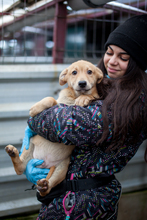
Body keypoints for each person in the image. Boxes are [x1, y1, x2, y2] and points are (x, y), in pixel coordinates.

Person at [21, 15, 147, 219]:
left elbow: (65, 126)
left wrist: (34, 120)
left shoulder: (134, 103)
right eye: (109, 52)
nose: (112, 62)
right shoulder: (104, 85)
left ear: (138, 63)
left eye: (124, 57)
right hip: (63, 197)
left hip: (86, 205)